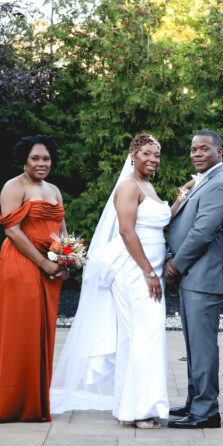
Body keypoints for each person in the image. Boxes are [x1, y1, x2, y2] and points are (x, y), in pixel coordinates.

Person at [50, 133, 171, 428]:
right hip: (134, 270)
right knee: (146, 333)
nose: (152, 159)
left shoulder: (148, 185)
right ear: (133, 155)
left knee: (138, 336)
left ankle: (131, 407)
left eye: (156, 155)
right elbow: (127, 232)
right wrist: (149, 272)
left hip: (147, 267)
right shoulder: (129, 186)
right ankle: (141, 409)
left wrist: (182, 198)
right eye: (146, 154)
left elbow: (153, 221)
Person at [0, 136, 69, 423]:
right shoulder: (14, 186)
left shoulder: (54, 189)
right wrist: (42, 261)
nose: (41, 164)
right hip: (22, 262)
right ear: (24, 160)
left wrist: (66, 260)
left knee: (43, 331)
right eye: (35, 159)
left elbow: (62, 229)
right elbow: (13, 231)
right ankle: (11, 403)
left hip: (50, 267)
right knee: (22, 330)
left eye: (46, 158)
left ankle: (34, 402)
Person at [165, 130, 223, 429]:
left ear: (219, 152)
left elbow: (202, 233)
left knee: (203, 346)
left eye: (204, 149)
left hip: (203, 277)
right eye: (193, 149)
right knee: (194, 345)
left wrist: (175, 265)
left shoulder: (219, 185)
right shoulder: (201, 182)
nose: (196, 154)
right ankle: (195, 401)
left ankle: (207, 411)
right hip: (193, 277)